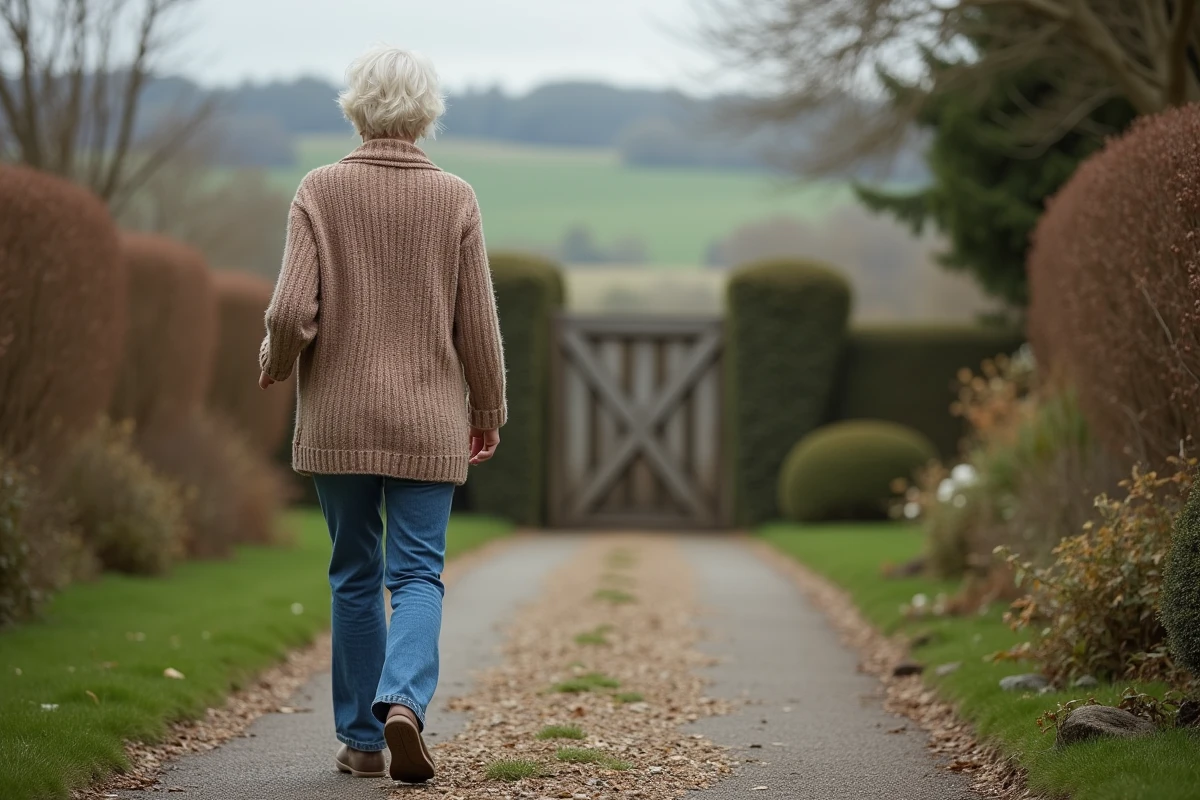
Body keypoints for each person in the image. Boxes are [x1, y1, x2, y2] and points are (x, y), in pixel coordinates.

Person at [257, 44, 506, 784]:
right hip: (429, 420)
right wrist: (487, 408)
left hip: (337, 419)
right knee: (420, 575)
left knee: (354, 575)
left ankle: (364, 741)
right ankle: (403, 701)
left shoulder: (319, 189)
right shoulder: (455, 196)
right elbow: (478, 325)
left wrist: (273, 363)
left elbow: (287, 310)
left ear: (355, 106)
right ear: (427, 112)